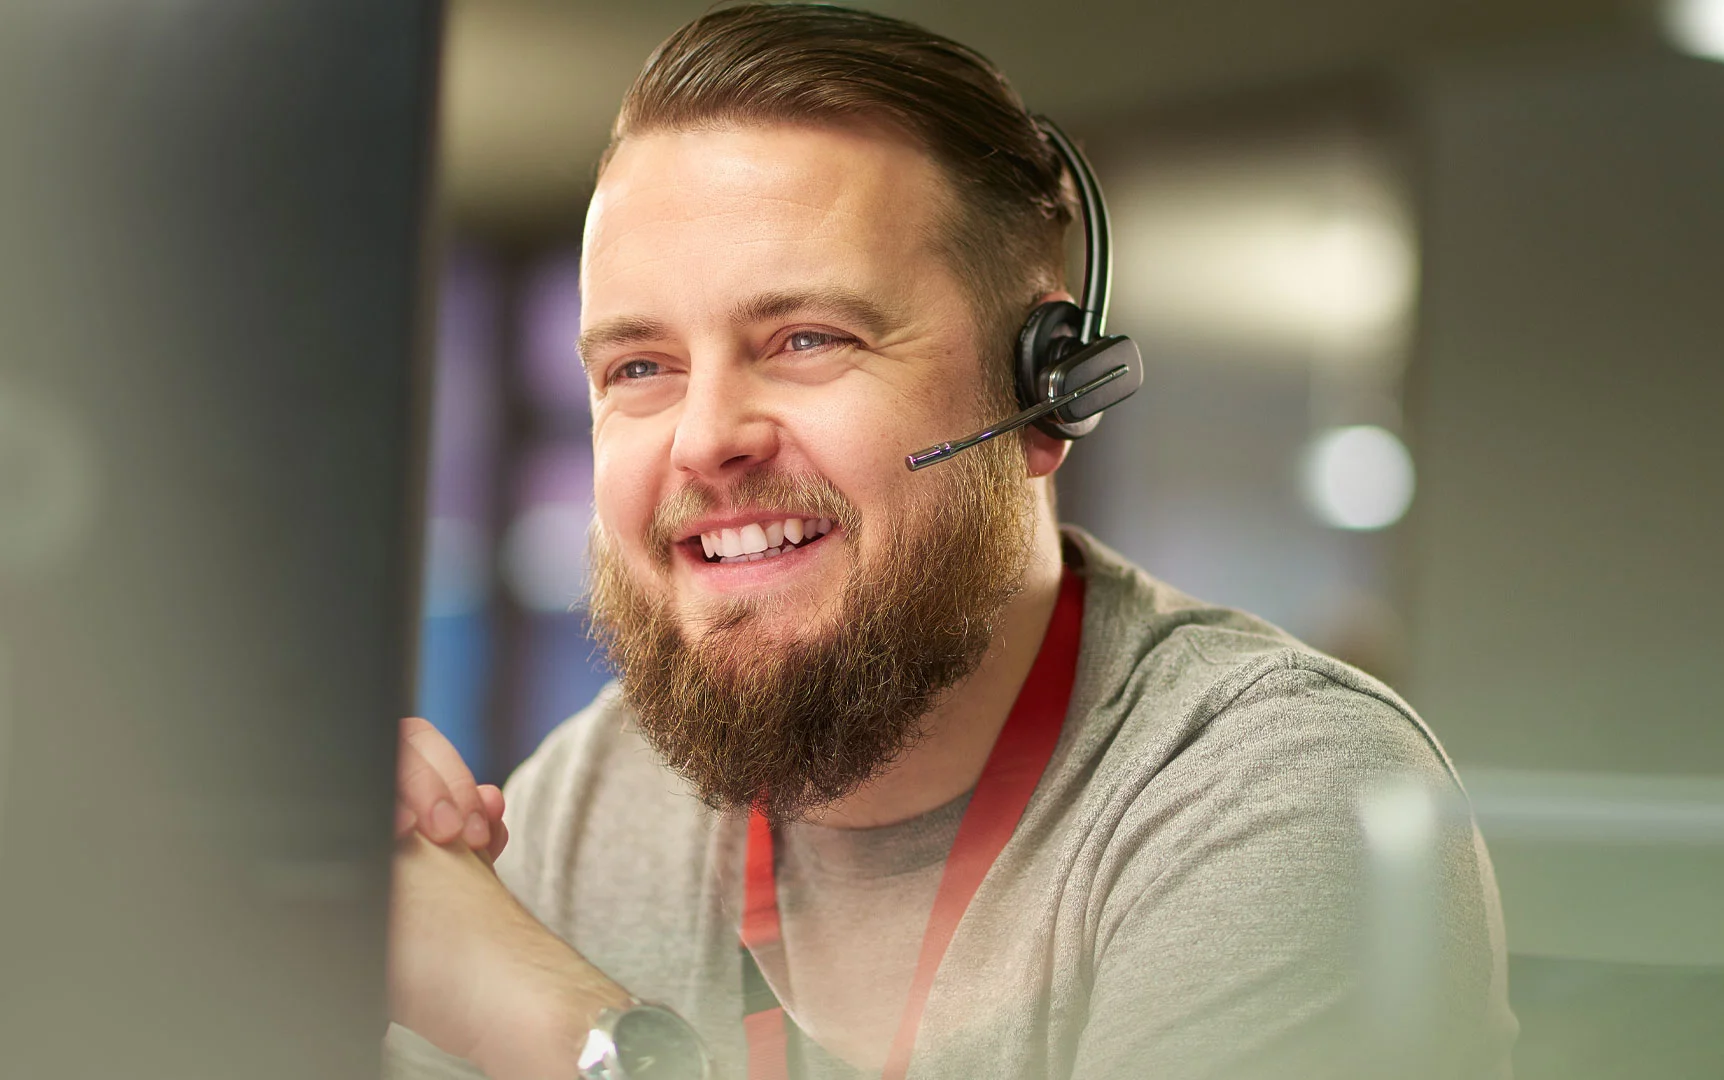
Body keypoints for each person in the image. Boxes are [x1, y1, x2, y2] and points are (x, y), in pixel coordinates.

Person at [384, 5, 1516, 1079]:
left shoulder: (1273, 799)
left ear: (1043, 396)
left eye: (807, 339)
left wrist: (558, 1024)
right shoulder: (596, 795)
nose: (706, 440)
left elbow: (521, 1006)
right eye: (639, 368)